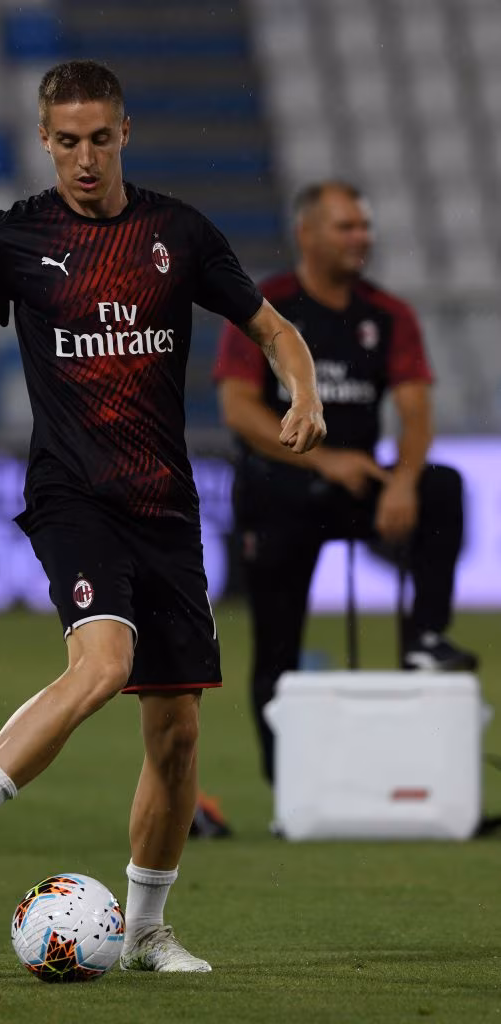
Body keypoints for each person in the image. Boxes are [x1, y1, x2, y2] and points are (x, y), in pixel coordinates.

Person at [0, 60, 325, 972]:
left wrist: (306, 390)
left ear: (125, 134)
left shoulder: (178, 234)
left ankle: (146, 932)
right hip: (72, 494)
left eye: (99, 139)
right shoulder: (14, 240)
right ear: (44, 141)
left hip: (165, 504)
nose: (84, 159)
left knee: (177, 732)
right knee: (104, 663)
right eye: (66, 142)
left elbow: (273, 329)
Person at [214, 180, 478, 787]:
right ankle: (289, 787)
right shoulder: (266, 308)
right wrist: (324, 460)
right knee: (277, 645)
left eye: (365, 226)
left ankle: (425, 637)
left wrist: (404, 481)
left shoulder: (389, 315)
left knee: (441, 488)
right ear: (306, 234)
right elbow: (239, 410)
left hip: (358, 483)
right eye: (347, 226)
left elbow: (416, 412)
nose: (363, 237)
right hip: (279, 490)